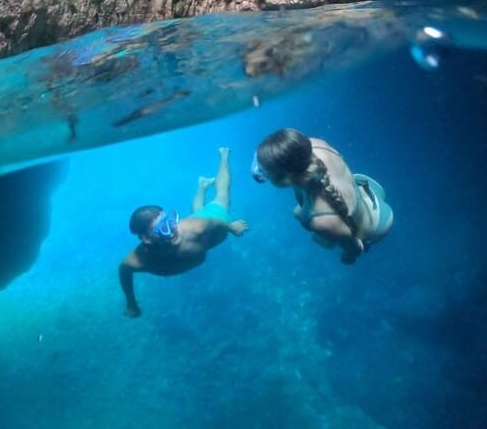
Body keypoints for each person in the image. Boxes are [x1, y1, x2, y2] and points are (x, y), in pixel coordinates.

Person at [119, 147, 249, 317]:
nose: (173, 228)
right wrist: (131, 302)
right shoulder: (139, 259)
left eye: (172, 220)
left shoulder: (194, 227)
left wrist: (231, 226)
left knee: (222, 195)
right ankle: (202, 186)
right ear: (146, 238)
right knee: (197, 211)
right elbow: (124, 270)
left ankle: (224, 155)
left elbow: (212, 222)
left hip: (212, 223)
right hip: (200, 229)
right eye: (163, 227)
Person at [251, 128, 393, 264]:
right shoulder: (315, 145)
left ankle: (342, 233)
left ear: (284, 179)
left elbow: (355, 248)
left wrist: (348, 257)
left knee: (314, 232)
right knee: (299, 213)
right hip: (366, 190)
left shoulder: (322, 220)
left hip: (377, 226)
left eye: (265, 172)